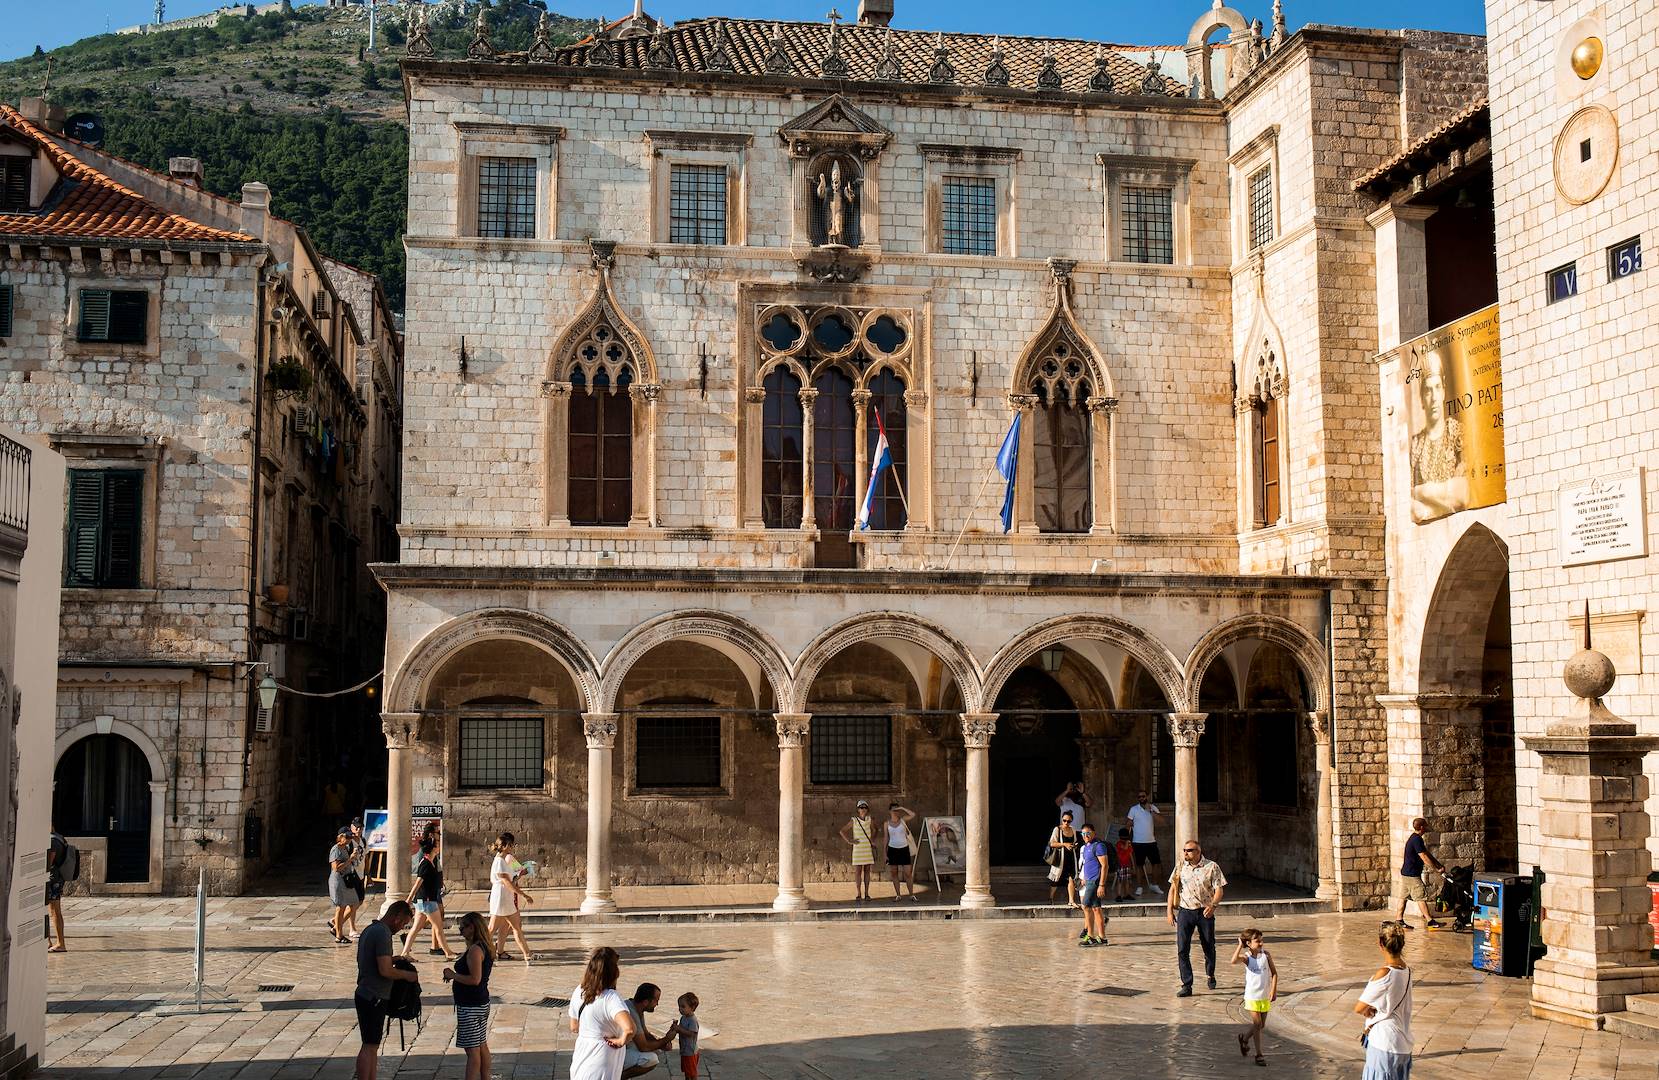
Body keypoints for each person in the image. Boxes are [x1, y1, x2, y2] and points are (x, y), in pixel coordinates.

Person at [354, 899, 418, 1080]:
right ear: (396, 918)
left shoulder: (370, 929)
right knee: (370, 1046)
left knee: (371, 1044)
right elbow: (385, 970)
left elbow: (373, 960)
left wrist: (395, 958)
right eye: (403, 923)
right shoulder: (383, 934)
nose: (401, 928)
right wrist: (407, 975)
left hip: (365, 993)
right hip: (373, 996)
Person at [1409, 347, 1470, 522]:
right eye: (1428, 390)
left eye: (1437, 387)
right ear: (1422, 396)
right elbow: (1413, 510)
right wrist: (1445, 494)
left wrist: (1421, 492)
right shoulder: (1416, 445)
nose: (1434, 397)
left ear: (1443, 390)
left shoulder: (1457, 433)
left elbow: (1463, 495)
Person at [1353, 923, 1414, 1080]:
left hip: (1385, 1042)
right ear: (1402, 944)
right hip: (1403, 1043)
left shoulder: (1384, 973)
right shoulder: (1407, 971)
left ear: (1381, 944)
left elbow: (1359, 1008)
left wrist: (1368, 1010)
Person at [1167, 839, 1227, 997]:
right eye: (1184, 850)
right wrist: (1169, 911)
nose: (1185, 853)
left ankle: (1210, 974)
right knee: (1182, 949)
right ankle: (1187, 984)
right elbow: (1172, 889)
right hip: (1185, 911)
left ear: (1198, 852)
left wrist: (1213, 906)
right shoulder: (1180, 866)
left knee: (1208, 945)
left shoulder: (1211, 866)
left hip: (1204, 912)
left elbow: (1219, 890)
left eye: (1189, 850)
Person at [568, 946, 636, 1080]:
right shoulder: (611, 998)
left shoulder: (580, 990)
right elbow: (630, 1029)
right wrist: (620, 1041)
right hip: (602, 1060)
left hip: (581, 1058)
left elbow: (574, 1027)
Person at [444, 912, 495, 1080]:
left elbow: (475, 979)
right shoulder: (485, 946)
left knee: (472, 1050)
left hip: (471, 1006)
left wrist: (452, 975)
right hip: (480, 1003)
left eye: (462, 928)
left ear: (472, 927)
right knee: (481, 1044)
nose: (460, 932)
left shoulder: (475, 950)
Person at [401, 833, 455, 960]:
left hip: (423, 901)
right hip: (427, 901)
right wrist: (408, 899)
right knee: (438, 927)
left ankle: (405, 953)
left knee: (415, 928)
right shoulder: (425, 863)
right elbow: (418, 882)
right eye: (437, 845)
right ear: (433, 848)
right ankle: (448, 953)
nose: (439, 847)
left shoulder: (431, 861)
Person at [1232, 927, 1278, 1066]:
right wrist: (1239, 946)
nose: (1261, 943)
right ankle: (1259, 1054)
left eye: (1261, 940)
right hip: (1252, 996)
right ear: (1249, 943)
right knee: (1257, 1024)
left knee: (1261, 1025)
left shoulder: (1266, 955)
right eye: (1257, 941)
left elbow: (1274, 973)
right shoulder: (1246, 958)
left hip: (1264, 996)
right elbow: (1233, 961)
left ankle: (1245, 1039)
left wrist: (1273, 990)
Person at [487, 832, 535, 960]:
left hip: (506, 897)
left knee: (516, 927)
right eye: (511, 845)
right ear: (505, 846)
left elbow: (513, 878)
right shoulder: (501, 861)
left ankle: (527, 954)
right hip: (501, 898)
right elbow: (507, 882)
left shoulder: (504, 859)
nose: (512, 847)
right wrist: (524, 895)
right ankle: (475, 951)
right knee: (491, 929)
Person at [621, 982, 681, 1078]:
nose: (657, 1004)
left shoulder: (637, 1007)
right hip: (614, 1052)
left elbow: (645, 1033)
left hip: (624, 1046)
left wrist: (663, 1044)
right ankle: (619, 1076)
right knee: (651, 1059)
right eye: (656, 1000)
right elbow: (643, 1047)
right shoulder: (631, 1012)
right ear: (645, 1002)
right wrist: (666, 1039)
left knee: (656, 1050)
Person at [1397, 817, 1445, 930]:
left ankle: (1399, 920)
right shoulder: (1416, 839)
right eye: (1426, 825)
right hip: (1412, 874)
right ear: (1422, 827)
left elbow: (1427, 853)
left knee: (1403, 897)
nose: (1427, 827)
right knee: (1420, 896)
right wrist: (1436, 870)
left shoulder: (1415, 839)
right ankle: (1430, 921)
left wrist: (1438, 864)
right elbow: (1423, 857)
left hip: (1406, 873)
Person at [1076, 824, 1111, 947]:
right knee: (1096, 908)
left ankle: (1090, 936)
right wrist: (1083, 878)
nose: (1086, 836)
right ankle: (1102, 938)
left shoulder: (1099, 846)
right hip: (1088, 880)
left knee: (1085, 906)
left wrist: (1102, 885)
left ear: (1094, 833)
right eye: (1083, 834)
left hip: (1095, 881)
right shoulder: (1086, 847)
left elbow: (1105, 866)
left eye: (1088, 833)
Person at [1126, 791, 1164, 897]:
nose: (1141, 798)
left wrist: (1150, 810)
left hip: (1151, 841)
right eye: (1139, 796)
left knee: (1156, 864)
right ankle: (1139, 887)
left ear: (1147, 796)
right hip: (1138, 842)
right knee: (1139, 865)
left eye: (1143, 796)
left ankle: (1154, 885)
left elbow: (1161, 820)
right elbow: (1128, 824)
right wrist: (1126, 839)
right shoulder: (1134, 809)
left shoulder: (1153, 808)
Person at [838, 800, 876, 902]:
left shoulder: (870, 819)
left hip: (867, 848)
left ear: (867, 809)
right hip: (858, 849)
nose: (863, 809)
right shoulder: (854, 820)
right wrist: (849, 841)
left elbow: (875, 829)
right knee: (858, 871)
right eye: (861, 807)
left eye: (864, 807)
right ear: (858, 809)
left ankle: (867, 893)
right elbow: (842, 831)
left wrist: (872, 840)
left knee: (867, 871)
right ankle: (859, 893)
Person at [883, 803, 920, 901]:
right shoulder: (886, 823)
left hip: (904, 848)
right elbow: (886, 838)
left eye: (897, 810)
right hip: (892, 849)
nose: (895, 812)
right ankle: (898, 894)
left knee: (908, 873)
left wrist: (902, 808)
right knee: (894, 873)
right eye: (894, 810)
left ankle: (911, 894)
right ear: (889, 811)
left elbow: (913, 814)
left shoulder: (903, 820)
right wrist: (885, 853)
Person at [1046, 811, 1081, 907]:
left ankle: (1071, 900)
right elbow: (1052, 843)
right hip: (1060, 859)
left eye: (1068, 821)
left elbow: (1075, 841)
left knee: (1071, 878)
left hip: (1071, 857)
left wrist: (1074, 846)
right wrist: (1064, 844)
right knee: (1055, 880)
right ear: (1062, 819)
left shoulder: (1073, 829)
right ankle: (1051, 898)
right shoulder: (1057, 829)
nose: (1066, 823)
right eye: (1064, 820)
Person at [328, 828, 355, 944]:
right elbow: (336, 868)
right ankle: (339, 935)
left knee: (353, 904)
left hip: (346, 880)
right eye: (347, 837)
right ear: (341, 837)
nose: (349, 839)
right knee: (341, 907)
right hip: (338, 880)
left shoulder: (345, 848)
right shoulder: (336, 849)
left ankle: (336, 927)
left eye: (350, 837)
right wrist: (350, 860)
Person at [344, 817, 369, 936]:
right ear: (352, 827)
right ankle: (351, 928)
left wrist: (368, 873)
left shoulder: (363, 841)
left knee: (360, 901)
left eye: (361, 827)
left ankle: (337, 921)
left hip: (361, 874)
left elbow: (366, 857)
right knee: (353, 902)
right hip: (352, 874)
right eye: (356, 827)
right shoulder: (349, 842)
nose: (359, 830)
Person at [45, 827, 68, 953]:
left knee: (54, 911)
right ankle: (48, 941)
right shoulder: (60, 837)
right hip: (57, 878)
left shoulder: (52, 841)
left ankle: (60, 943)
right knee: (51, 911)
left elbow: (48, 863)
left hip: (52, 879)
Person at [676, 992, 702, 1079]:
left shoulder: (692, 1020)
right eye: (679, 1006)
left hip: (690, 1051)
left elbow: (692, 1034)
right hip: (685, 1049)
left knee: (692, 1073)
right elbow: (681, 1029)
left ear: (692, 1008)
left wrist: (679, 1029)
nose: (680, 1009)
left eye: (683, 1006)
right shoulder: (683, 1017)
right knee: (687, 1071)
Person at [1113, 828, 1136, 902]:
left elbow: (1130, 854)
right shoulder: (1119, 844)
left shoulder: (1128, 845)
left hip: (1127, 865)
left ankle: (1127, 894)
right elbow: (1125, 848)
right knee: (1120, 881)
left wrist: (1133, 865)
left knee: (1127, 880)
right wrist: (1127, 843)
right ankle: (1119, 895)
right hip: (1120, 865)